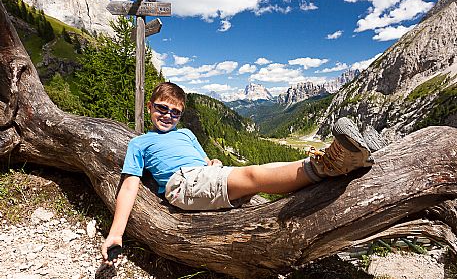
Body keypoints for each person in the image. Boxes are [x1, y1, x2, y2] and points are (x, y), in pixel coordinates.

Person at [101, 82, 380, 264]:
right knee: (252, 177)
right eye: (162, 108)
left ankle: (357, 158)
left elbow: (203, 159)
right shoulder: (140, 142)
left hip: (201, 175)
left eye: (175, 112)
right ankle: (329, 165)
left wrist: (211, 163)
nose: (167, 116)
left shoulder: (186, 133)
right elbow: (129, 185)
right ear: (150, 107)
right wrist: (116, 233)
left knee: (261, 171)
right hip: (182, 184)